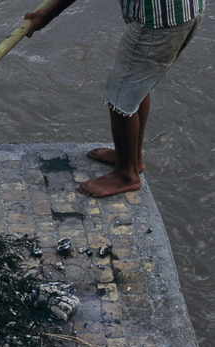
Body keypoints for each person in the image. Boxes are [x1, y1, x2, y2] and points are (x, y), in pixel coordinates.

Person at [24, 0, 205, 198]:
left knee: (120, 96)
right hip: (186, 13)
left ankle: (126, 175)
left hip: (161, 22)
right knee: (137, 85)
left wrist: (47, 15)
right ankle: (132, 159)